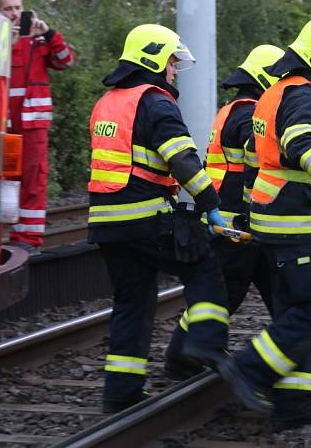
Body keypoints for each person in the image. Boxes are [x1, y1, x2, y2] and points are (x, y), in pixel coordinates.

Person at [216, 16, 311, 431]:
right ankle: (250, 368)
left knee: (294, 311)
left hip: (275, 218)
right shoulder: (303, 96)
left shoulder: (277, 91)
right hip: (298, 220)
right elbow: (300, 144)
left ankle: (293, 405)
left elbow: (262, 153)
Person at [87, 24, 230, 413]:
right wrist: (210, 203)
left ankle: (121, 394)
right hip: (145, 217)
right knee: (205, 266)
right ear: (153, 59)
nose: (172, 71)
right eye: (170, 62)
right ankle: (204, 341)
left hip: (107, 223)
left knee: (133, 302)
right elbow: (182, 159)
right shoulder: (155, 101)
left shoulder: (108, 102)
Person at [163, 44, 285, 380]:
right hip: (238, 225)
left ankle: (310, 353)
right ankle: (180, 356)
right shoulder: (251, 115)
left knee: (278, 292)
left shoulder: (232, 109)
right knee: (224, 296)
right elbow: (257, 164)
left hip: (231, 222)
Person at [0, 0, 74, 253]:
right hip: (3, 126)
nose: (15, 13)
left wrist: (49, 34)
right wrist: (5, 41)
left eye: (17, 8)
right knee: (5, 180)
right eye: (8, 9)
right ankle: (6, 233)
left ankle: (28, 239)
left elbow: (66, 61)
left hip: (33, 125)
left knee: (33, 178)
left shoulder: (39, 41)